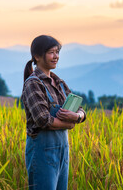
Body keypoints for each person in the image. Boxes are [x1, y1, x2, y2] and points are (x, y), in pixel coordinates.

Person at [21, 35, 87, 190]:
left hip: (62, 151)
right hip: (41, 152)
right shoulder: (33, 83)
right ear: (37, 56)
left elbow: (80, 109)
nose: (56, 56)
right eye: (51, 52)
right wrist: (70, 124)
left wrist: (77, 116)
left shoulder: (60, 83)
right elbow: (43, 119)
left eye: (57, 52)